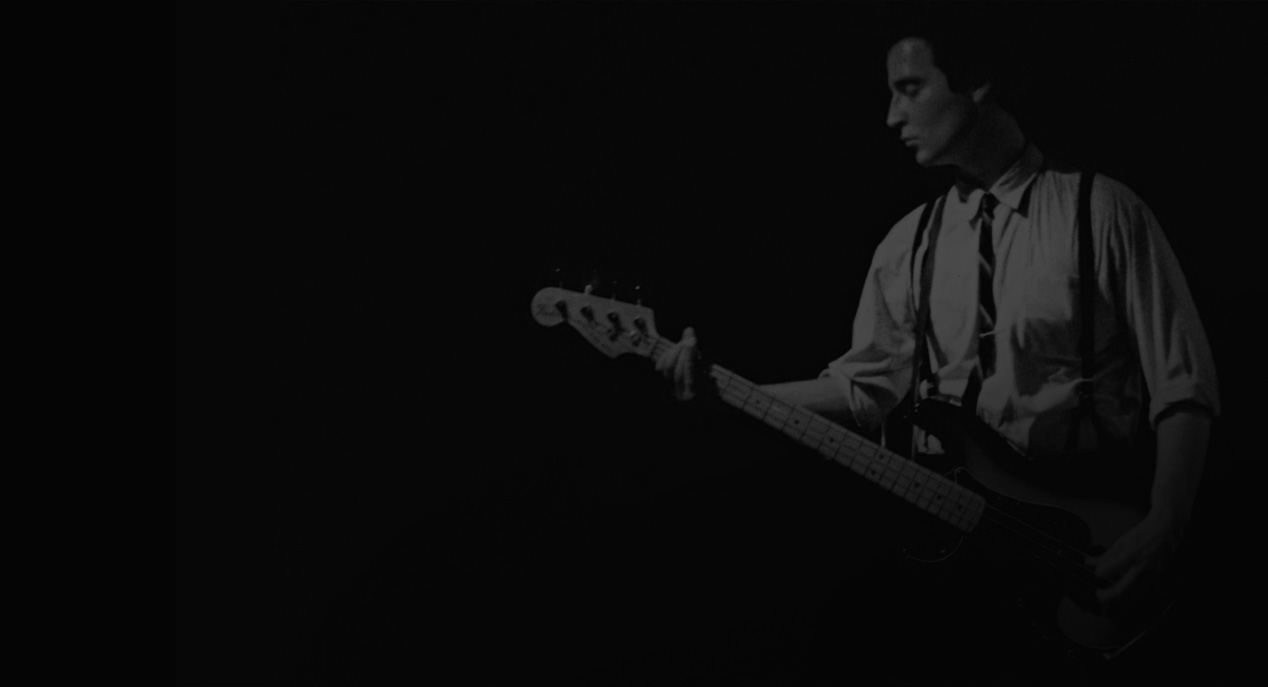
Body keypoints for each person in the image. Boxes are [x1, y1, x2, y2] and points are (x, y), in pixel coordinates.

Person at [656, 19, 1219, 686]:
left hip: (1088, 541)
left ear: (975, 81)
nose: (892, 116)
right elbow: (863, 388)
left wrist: (1166, 523)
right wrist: (724, 391)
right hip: (962, 549)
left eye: (910, 88)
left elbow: (1183, 383)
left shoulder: (1103, 212)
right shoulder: (908, 244)